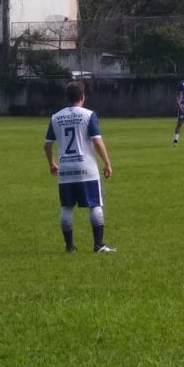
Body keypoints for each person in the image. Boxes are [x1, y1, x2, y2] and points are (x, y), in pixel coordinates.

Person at [44, 80, 115, 254]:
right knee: (95, 205)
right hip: (86, 168)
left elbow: (47, 144)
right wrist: (107, 163)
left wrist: (52, 163)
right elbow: (97, 141)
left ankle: (69, 247)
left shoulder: (56, 117)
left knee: (66, 207)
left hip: (66, 168)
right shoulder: (88, 115)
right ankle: (99, 245)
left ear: (67, 97)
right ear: (83, 96)